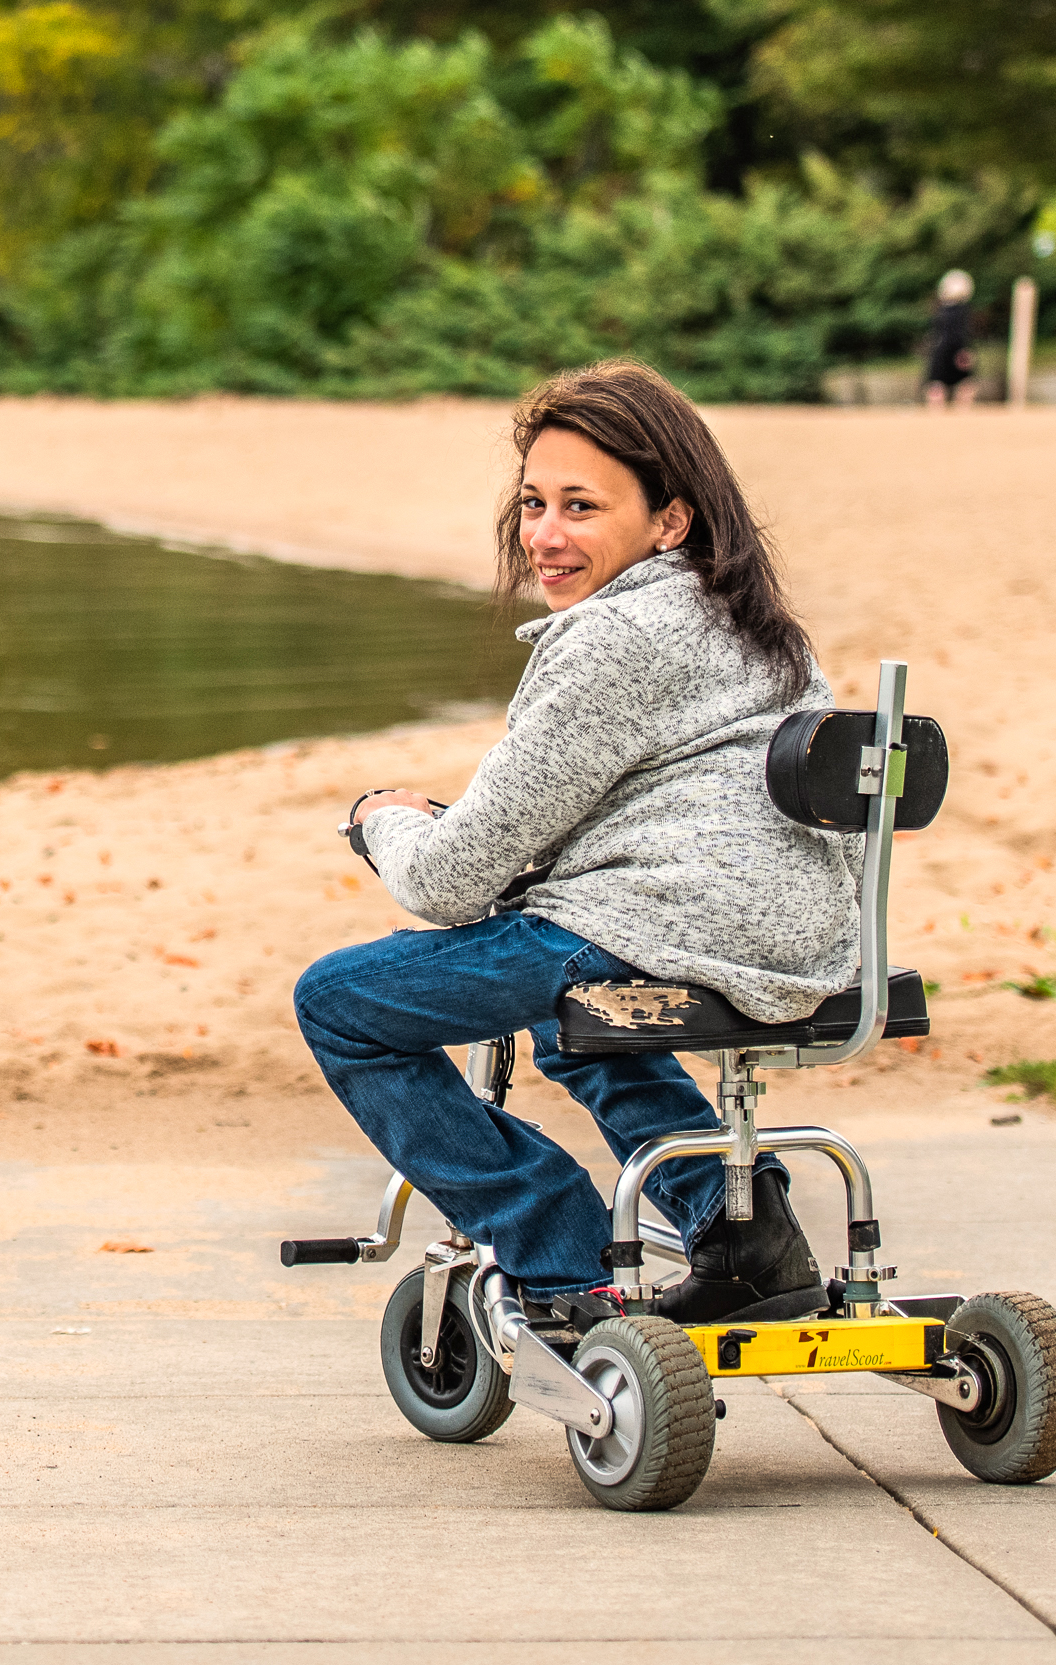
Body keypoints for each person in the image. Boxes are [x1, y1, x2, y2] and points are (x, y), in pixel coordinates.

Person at [294, 362, 858, 1341]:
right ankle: (744, 1237)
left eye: (581, 507)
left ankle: (555, 1255)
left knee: (342, 1003)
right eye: (532, 504)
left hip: (662, 930)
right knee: (567, 1019)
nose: (545, 537)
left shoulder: (614, 639)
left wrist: (381, 820)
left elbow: (443, 884)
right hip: (797, 940)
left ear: (669, 521)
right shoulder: (758, 629)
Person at [919, 270, 977, 407]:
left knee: (937, 385)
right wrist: (964, 350)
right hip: (957, 349)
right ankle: (963, 414)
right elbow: (961, 334)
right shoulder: (963, 311)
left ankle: (936, 415)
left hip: (940, 350)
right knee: (965, 384)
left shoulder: (940, 310)